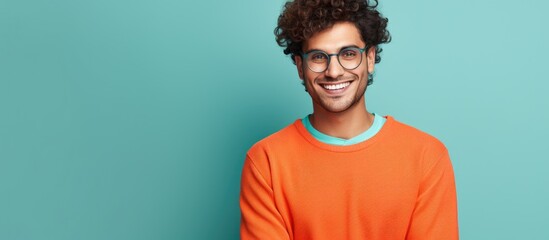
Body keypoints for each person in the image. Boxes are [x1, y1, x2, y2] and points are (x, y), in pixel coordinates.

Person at [239, 0, 459, 239]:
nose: (334, 71)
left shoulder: (426, 156)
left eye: (349, 53)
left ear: (371, 58)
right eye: (318, 57)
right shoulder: (266, 161)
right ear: (300, 67)